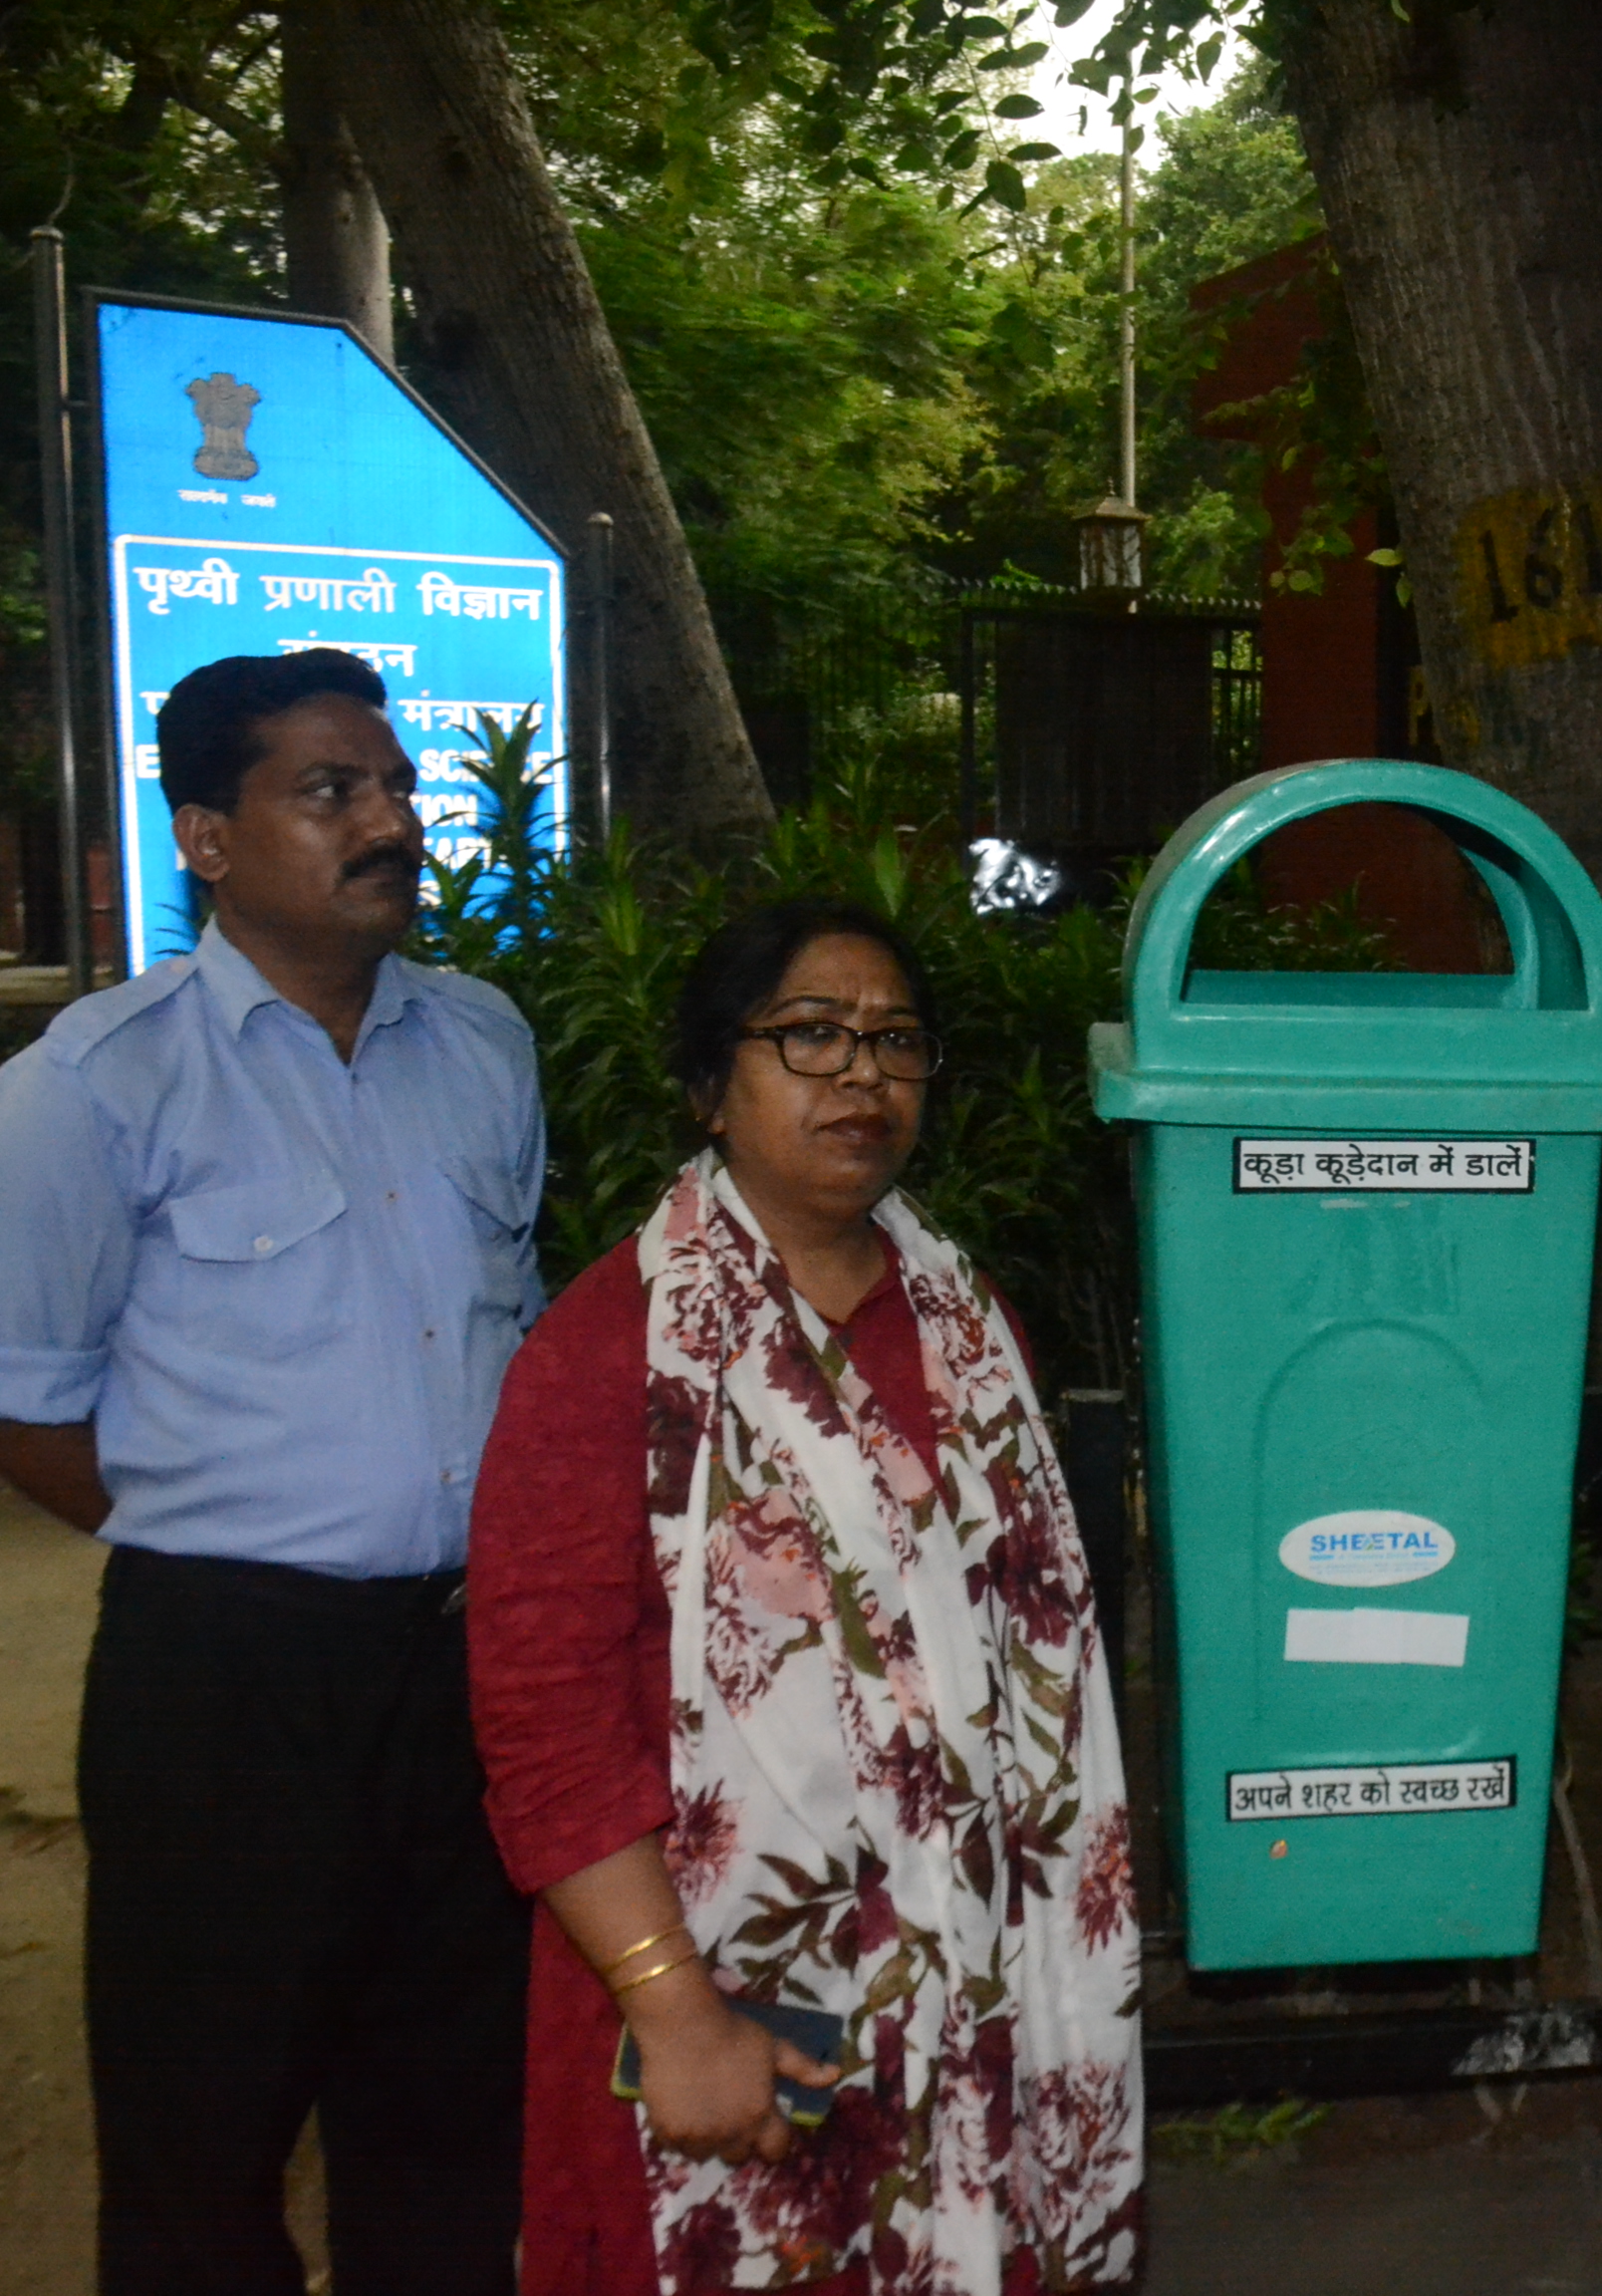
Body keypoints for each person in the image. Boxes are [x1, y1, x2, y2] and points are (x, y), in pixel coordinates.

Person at [466, 901, 1142, 2294]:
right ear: (712, 1085)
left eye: (897, 1042)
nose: (862, 1075)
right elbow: (543, 1719)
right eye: (810, 1035)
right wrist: (672, 2002)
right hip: (724, 1997)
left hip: (986, 1990)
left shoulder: (969, 1319)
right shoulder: (608, 1354)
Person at [0, 648, 544, 2290]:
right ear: (207, 838)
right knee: (200, 2148)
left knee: (450, 2133)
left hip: (462, 1675)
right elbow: (26, 1403)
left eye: (392, 787)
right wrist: (226, 1540)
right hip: (225, 1688)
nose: (388, 820)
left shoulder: (486, 1042)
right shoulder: (92, 1086)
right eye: (331, 793)